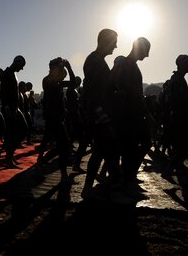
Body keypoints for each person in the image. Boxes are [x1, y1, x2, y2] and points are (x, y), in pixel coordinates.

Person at [109, 36, 153, 198]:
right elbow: (117, 88)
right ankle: (125, 179)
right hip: (126, 116)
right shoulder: (124, 64)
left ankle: (127, 176)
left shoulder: (131, 66)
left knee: (140, 145)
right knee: (130, 148)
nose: (147, 55)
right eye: (146, 51)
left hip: (134, 115)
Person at [80, 29, 121, 199]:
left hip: (100, 113)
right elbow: (90, 91)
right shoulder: (95, 61)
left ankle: (107, 184)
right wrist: (98, 114)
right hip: (99, 115)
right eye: (114, 42)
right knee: (102, 150)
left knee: (105, 150)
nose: (116, 46)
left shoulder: (97, 61)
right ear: (105, 41)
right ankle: (91, 187)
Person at [40, 57, 75, 183]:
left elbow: (73, 83)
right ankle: (63, 175)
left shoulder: (58, 82)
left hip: (58, 118)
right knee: (63, 145)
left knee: (59, 144)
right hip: (53, 118)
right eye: (59, 68)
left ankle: (42, 161)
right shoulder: (47, 80)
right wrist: (61, 67)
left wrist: (69, 68)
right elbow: (54, 81)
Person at [162, 54, 188, 177]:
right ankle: (170, 169)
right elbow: (179, 102)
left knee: (182, 146)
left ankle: (173, 168)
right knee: (185, 146)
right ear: (182, 64)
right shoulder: (178, 80)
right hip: (179, 117)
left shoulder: (176, 79)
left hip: (176, 116)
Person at [1, 55, 26, 168]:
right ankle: (8, 158)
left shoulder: (13, 73)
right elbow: (4, 92)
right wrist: (6, 107)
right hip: (9, 108)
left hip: (15, 108)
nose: (21, 69)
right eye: (21, 66)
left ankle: (10, 155)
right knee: (12, 133)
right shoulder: (6, 73)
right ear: (16, 63)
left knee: (22, 129)